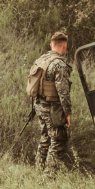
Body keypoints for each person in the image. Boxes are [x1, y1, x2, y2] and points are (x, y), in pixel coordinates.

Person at [28, 31, 75, 171]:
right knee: (57, 141)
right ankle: (49, 177)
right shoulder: (59, 64)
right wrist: (68, 113)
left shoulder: (41, 60)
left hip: (38, 106)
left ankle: (39, 171)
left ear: (51, 45)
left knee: (45, 139)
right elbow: (63, 92)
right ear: (64, 46)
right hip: (52, 108)